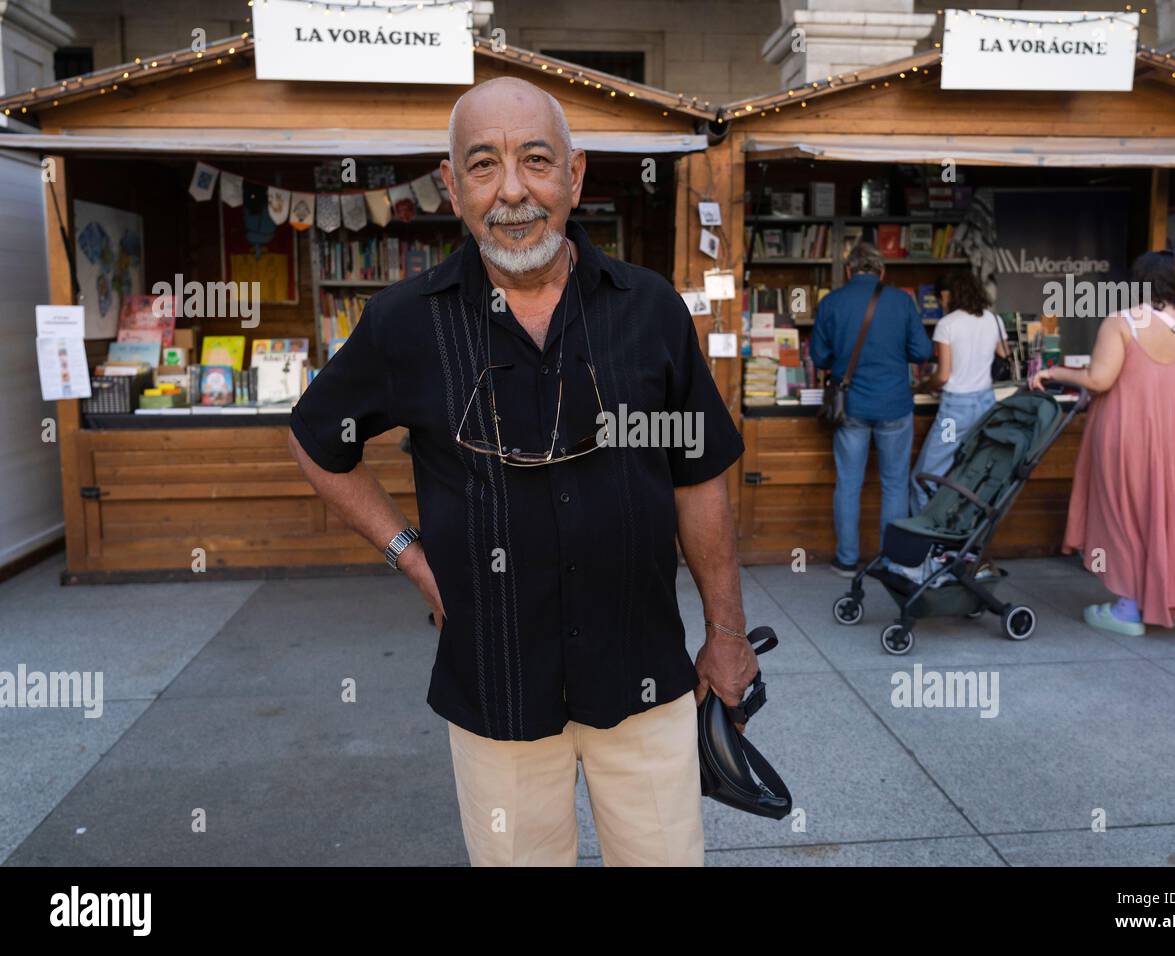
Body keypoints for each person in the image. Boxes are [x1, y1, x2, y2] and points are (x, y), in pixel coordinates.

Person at [288, 77, 754, 866]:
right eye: (483, 166)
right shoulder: (405, 324)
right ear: (451, 186)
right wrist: (412, 555)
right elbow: (315, 441)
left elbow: (698, 476)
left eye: (536, 161)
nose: (512, 192)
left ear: (574, 176)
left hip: (643, 679)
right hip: (494, 684)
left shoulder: (650, 312)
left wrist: (727, 633)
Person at [1030, 250, 1175, 634]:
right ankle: (1173, 604)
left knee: (1123, 517)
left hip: (1125, 436)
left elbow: (1100, 379)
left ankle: (1128, 608)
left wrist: (1054, 371)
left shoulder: (1122, 322)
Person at [811, 242, 933, 577]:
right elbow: (922, 350)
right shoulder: (902, 301)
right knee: (894, 483)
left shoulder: (831, 302)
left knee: (848, 482)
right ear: (882, 272)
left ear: (849, 271)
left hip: (850, 406)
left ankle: (847, 560)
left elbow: (820, 357)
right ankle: (890, 560)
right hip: (894, 404)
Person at [910, 271, 1008, 514]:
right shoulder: (993, 320)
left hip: (955, 414)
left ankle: (926, 536)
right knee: (970, 471)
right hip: (985, 406)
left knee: (924, 475)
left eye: (942, 297)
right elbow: (1003, 355)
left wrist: (923, 385)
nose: (941, 303)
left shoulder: (947, 324)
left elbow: (943, 376)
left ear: (949, 295)